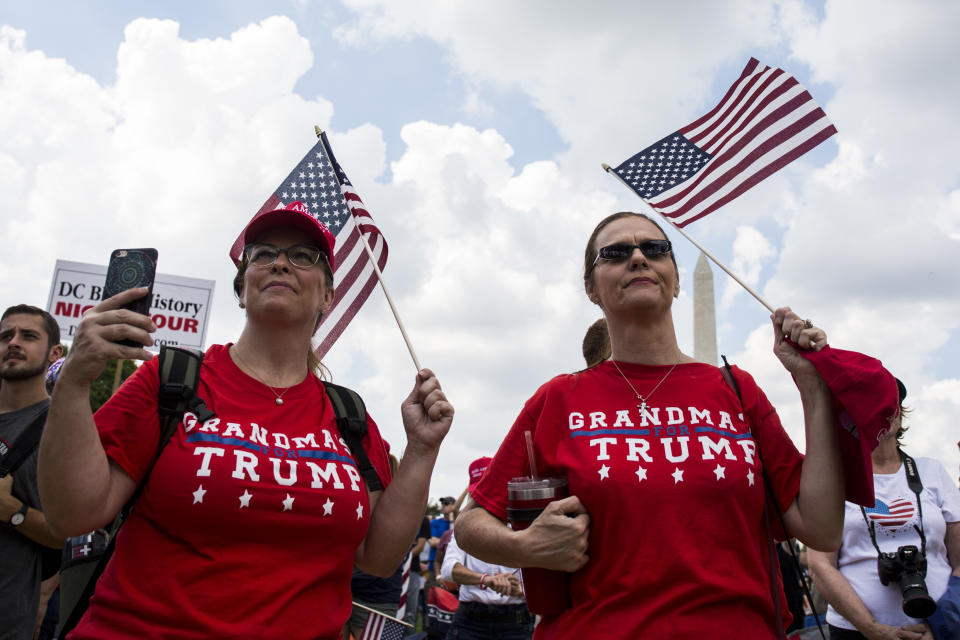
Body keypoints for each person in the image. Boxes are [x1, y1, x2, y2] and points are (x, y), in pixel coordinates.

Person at [38, 201, 454, 638]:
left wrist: (422, 450)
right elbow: (71, 516)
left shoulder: (349, 415)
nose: (279, 263)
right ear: (242, 288)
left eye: (302, 256)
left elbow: (377, 556)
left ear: (329, 295)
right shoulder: (171, 380)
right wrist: (73, 383)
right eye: (262, 254)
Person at [455, 211, 846, 639]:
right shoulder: (559, 399)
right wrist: (524, 547)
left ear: (676, 280)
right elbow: (470, 524)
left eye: (655, 249)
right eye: (616, 253)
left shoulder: (737, 390)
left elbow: (821, 528)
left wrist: (812, 387)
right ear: (591, 288)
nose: (638, 258)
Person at [807, 379, 960, 640]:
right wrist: (872, 629)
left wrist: (941, 626)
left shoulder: (931, 471)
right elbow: (820, 564)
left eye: (893, 404)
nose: (889, 410)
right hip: (855, 632)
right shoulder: (835, 479)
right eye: (875, 404)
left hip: (939, 630)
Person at [0, 305, 64, 640]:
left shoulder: (65, 429)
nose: (13, 343)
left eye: (28, 336)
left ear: (55, 352)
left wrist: (14, 512)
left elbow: (71, 534)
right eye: (6, 336)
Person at [440, 457, 533, 640]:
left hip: (514, 621)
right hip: (472, 620)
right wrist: (486, 579)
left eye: (491, 493)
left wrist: (519, 591)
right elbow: (448, 570)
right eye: (480, 496)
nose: (486, 502)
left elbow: (541, 582)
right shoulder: (464, 528)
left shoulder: (524, 526)